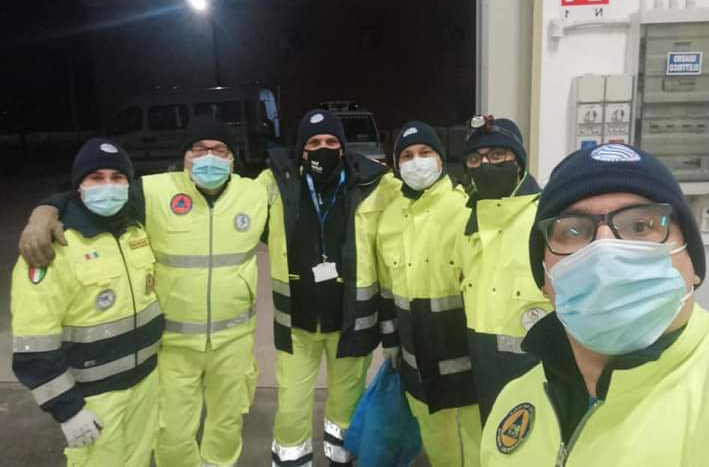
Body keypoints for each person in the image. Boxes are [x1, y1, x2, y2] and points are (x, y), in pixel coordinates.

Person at [19, 118, 267, 467]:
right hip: (172, 344)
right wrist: (43, 212)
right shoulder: (153, 192)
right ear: (184, 157)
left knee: (227, 422)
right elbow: (87, 191)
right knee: (172, 431)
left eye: (218, 149)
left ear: (232, 158)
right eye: (198, 149)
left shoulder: (255, 193)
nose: (208, 156)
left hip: (234, 340)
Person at [479, 143, 709, 466]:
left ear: (692, 262)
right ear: (544, 279)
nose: (605, 250)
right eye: (573, 231)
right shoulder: (513, 403)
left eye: (640, 226)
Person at [257, 109, 399, 467]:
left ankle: (342, 457)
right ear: (301, 149)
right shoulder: (276, 182)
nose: (323, 148)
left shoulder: (374, 184)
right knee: (291, 404)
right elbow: (237, 209)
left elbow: (420, 203)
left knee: (346, 403)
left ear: (343, 146)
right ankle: (291, 458)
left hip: (351, 320)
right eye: (314, 142)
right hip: (297, 321)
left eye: (332, 141)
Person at [11, 138, 164, 466]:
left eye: (117, 177)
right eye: (96, 178)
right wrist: (68, 410)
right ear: (78, 186)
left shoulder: (136, 230)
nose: (108, 186)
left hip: (146, 383)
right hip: (93, 397)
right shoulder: (52, 247)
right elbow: (33, 347)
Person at [376, 121, 481, 467]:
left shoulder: (465, 210)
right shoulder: (391, 217)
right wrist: (391, 341)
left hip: (463, 359)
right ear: (396, 165)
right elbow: (387, 288)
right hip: (414, 359)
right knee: (436, 440)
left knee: (475, 441)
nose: (416, 162)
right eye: (407, 156)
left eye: (425, 152)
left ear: (440, 159)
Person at [453, 115, 552, 423]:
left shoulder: (547, 220)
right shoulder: (468, 226)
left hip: (541, 372)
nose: (485, 165)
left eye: (497, 155)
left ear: (518, 162)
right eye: (475, 159)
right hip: (484, 370)